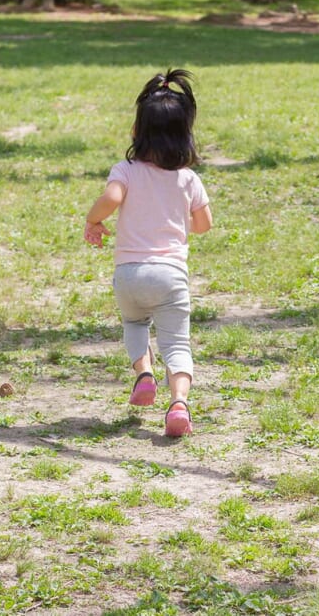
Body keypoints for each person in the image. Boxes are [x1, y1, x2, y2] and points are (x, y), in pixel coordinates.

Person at [84, 69, 213, 438]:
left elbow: (111, 198)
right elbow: (204, 224)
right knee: (176, 341)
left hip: (129, 274)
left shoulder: (125, 170)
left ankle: (144, 373)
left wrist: (93, 221)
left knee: (134, 325)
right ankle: (179, 403)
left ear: (137, 132)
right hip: (170, 276)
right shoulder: (188, 179)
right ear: (185, 136)